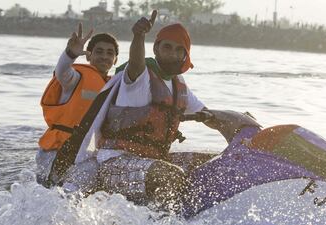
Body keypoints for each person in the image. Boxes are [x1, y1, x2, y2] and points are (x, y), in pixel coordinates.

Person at [66, 10, 215, 213]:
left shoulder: (179, 86)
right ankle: (164, 219)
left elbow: (211, 115)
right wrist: (139, 36)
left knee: (214, 160)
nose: (172, 53)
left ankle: (198, 211)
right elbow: (136, 62)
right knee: (169, 175)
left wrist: (242, 126)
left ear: (185, 55)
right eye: (167, 47)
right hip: (114, 163)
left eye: (178, 50)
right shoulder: (139, 76)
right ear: (156, 48)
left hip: (152, 161)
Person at [36, 23, 119, 186]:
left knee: (77, 193)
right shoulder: (75, 78)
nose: (104, 56)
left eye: (110, 53)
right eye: (99, 51)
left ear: (115, 60)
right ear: (88, 56)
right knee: (50, 194)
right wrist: (70, 54)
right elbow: (62, 71)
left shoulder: (114, 86)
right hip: (55, 151)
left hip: (84, 155)